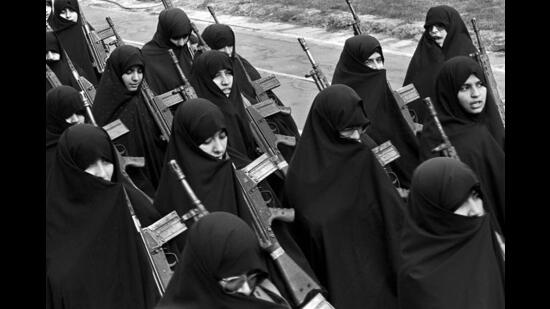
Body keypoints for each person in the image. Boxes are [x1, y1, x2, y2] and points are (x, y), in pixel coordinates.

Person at [152, 99, 320, 304]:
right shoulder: (175, 194)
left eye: (222, 137)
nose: (218, 148)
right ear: (188, 142)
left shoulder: (235, 169)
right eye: (207, 141)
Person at [284, 84, 405, 308]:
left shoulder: (363, 160)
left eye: (360, 128)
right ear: (327, 127)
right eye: (348, 129)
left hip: (383, 280)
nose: (356, 137)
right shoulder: (300, 178)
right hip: (337, 286)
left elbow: (394, 217)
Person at [46, 124, 161, 309]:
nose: (102, 173)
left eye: (107, 161)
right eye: (90, 165)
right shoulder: (55, 222)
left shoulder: (128, 203)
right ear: (72, 169)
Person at [398, 157, 505, 309]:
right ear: (436, 213)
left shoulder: (480, 235)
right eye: (459, 202)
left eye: (476, 196)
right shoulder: (419, 277)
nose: (475, 210)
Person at [418, 55, 505, 235]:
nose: (476, 94)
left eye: (480, 85)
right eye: (465, 87)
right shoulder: (437, 138)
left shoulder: (484, 126)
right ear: (449, 92)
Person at [331, 34, 420, 189]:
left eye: (379, 60)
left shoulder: (378, 84)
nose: (377, 67)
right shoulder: (342, 97)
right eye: (369, 62)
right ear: (355, 64)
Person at [202, 23, 301, 161]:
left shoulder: (238, 61)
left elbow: (259, 87)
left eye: (230, 46)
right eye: (221, 48)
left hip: (264, 116)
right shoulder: (208, 69)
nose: (228, 51)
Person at [156, 212, 291, 308]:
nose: (246, 290)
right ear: (205, 274)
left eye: (253, 277)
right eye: (234, 282)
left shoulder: (264, 292)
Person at [92, 45, 166, 198]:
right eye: (129, 72)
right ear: (117, 72)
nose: (136, 78)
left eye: (140, 71)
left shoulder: (144, 100)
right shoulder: (106, 107)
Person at [403, 5, 476, 124]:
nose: (434, 31)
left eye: (440, 26)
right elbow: (408, 95)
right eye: (430, 27)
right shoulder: (424, 54)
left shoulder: (467, 55)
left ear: (452, 27)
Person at [190, 50, 258, 162]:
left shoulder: (237, 101)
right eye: (217, 75)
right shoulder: (201, 117)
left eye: (228, 73)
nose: (225, 81)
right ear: (204, 79)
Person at [141, 7, 194, 97]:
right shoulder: (147, 56)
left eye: (185, 37)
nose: (181, 43)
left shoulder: (192, 43)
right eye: (175, 38)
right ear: (165, 33)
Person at [48, 0, 98, 86]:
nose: (68, 15)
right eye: (63, 12)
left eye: (71, 10)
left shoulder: (86, 28)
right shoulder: (51, 35)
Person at [46, 86, 86, 182]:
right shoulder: (51, 158)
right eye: (67, 115)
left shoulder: (91, 138)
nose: (75, 120)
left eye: (79, 112)